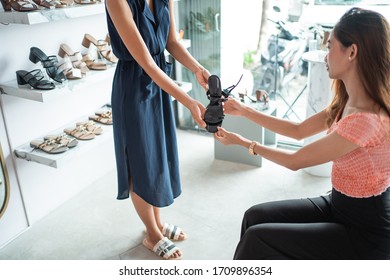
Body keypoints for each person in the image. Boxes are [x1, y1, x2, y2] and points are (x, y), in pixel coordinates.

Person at [214, 7, 390, 259]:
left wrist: (244, 143)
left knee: (257, 238)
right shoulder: (347, 101)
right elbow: (298, 131)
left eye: (330, 47)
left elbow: (296, 161)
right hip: (338, 205)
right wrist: (244, 111)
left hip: (364, 234)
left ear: (352, 52)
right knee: (254, 217)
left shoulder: (368, 120)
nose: (326, 55)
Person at [105, 0, 210, 260]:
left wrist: (197, 68)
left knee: (156, 156)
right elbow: (146, 63)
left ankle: (159, 225)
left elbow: (171, 42)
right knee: (139, 160)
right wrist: (188, 101)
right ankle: (152, 234)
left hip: (159, 83)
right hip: (134, 84)